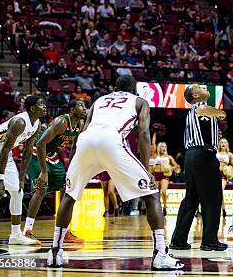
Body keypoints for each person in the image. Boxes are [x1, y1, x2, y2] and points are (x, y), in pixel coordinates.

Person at [47, 75, 183, 270]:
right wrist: (145, 169)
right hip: (111, 138)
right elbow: (144, 133)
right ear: (134, 89)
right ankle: (160, 254)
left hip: (86, 140)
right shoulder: (139, 101)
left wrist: (75, 161)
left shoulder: (99, 100)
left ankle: (55, 252)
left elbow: (83, 131)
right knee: (152, 195)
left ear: (115, 88)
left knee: (69, 195)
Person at [0, 95, 47, 247]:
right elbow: (5, 148)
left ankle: (16, 235)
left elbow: (27, 151)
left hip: (4, 154)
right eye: (41, 104)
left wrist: (21, 178)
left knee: (18, 191)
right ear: (32, 108)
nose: (45, 106)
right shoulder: (19, 122)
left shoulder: (37, 124)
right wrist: (0, 179)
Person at [170, 84, 227, 252]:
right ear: (195, 96)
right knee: (213, 198)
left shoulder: (195, 111)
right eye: (199, 87)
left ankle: (178, 240)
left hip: (192, 157)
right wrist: (221, 114)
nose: (203, 87)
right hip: (203, 156)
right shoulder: (200, 107)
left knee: (191, 200)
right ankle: (209, 240)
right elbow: (208, 112)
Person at [24, 99, 86, 244]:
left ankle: (65, 231)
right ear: (71, 110)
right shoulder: (61, 122)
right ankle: (27, 231)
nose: (84, 108)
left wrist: (72, 166)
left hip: (52, 157)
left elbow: (74, 148)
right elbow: (40, 144)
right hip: (37, 154)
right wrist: (44, 172)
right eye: (80, 105)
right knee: (41, 189)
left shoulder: (80, 125)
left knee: (67, 189)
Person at [150, 139, 178, 216]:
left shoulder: (169, 157)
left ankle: (165, 207)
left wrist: (170, 168)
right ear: (159, 148)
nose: (164, 148)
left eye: (165, 146)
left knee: (163, 191)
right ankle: (157, 208)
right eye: (162, 146)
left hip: (164, 175)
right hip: (156, 175)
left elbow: (176, 166)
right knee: (156, 193)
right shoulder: (155, 156)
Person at [216, 138, 233, 217]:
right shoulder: (216, 153)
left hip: (223, 174)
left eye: (225, 142)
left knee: (220, 190)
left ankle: (220, 209)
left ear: (227, 144)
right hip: (215, 173)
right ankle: (223, 209)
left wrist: (231, 173)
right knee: (216, 192)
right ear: (219, 144)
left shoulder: (229, 154)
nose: (223, 144)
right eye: (221, 142)